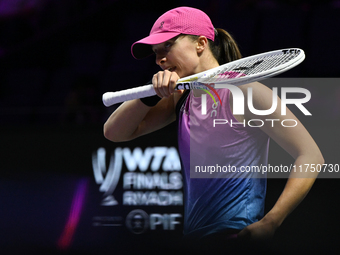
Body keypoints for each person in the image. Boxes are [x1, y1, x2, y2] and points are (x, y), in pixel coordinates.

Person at [104, 6, 324, 253]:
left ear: (200, 43)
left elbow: (311, 155)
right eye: (155, 53)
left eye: (167, 46)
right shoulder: (181, 98)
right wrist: (150, 93)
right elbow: (114, 132)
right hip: (195, 240)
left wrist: (272, 221)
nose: (159, 59)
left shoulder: (246, 91)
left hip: (236, 237)